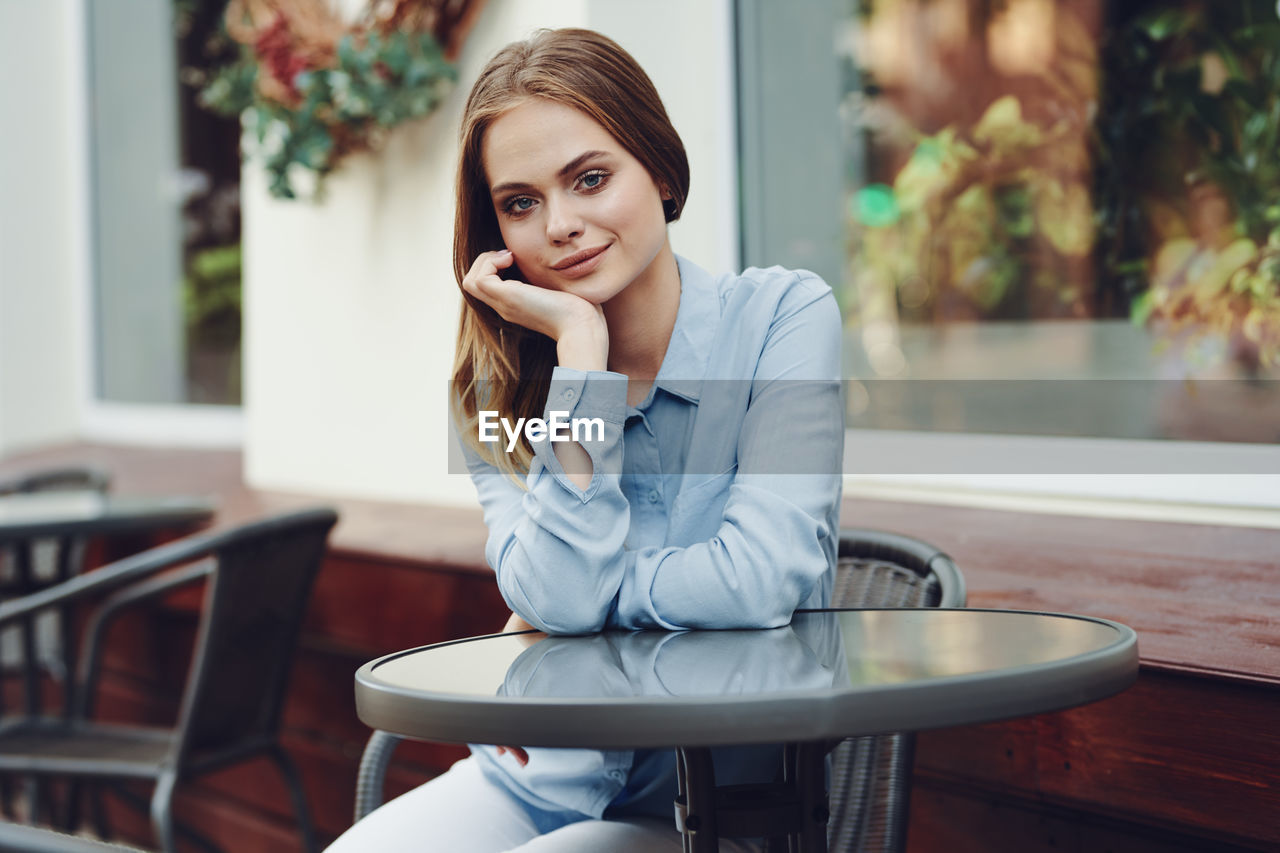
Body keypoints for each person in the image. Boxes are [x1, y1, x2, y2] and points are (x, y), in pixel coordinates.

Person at [327, 27, 843, 852]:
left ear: (663, 171)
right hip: (534, 778)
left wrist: (574, 613)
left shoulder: (784, 317)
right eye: (521, 202)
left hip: (704, 810)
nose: (560, 225)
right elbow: (558, 601)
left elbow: (758, 581)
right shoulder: (491, 385)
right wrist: (581, 355)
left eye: (591, 179)